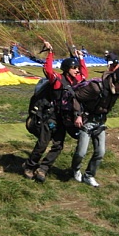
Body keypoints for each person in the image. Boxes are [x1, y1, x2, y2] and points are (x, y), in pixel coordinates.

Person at [23, 41, 88, 183]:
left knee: (58, 146)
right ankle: (29, 166)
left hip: (64, 118)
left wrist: (81, 58)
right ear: (67, 69)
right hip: (51, 116)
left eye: (77, 68)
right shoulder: (58, 80)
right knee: (42, 144)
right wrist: (50, 52)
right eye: (74, 68)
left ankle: (43, 168)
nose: (77, 70)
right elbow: (48, 70)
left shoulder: (76, 80)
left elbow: (84, 74)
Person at [69, 66, 119, 187]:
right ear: (114, 80)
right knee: (81, 152)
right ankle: (75, 170)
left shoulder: (118, 89)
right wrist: (77, 115)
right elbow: (76, 97)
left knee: (100, 152)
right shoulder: (96, 87)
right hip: (86, 121)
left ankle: (89, 175)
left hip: (100, 122)